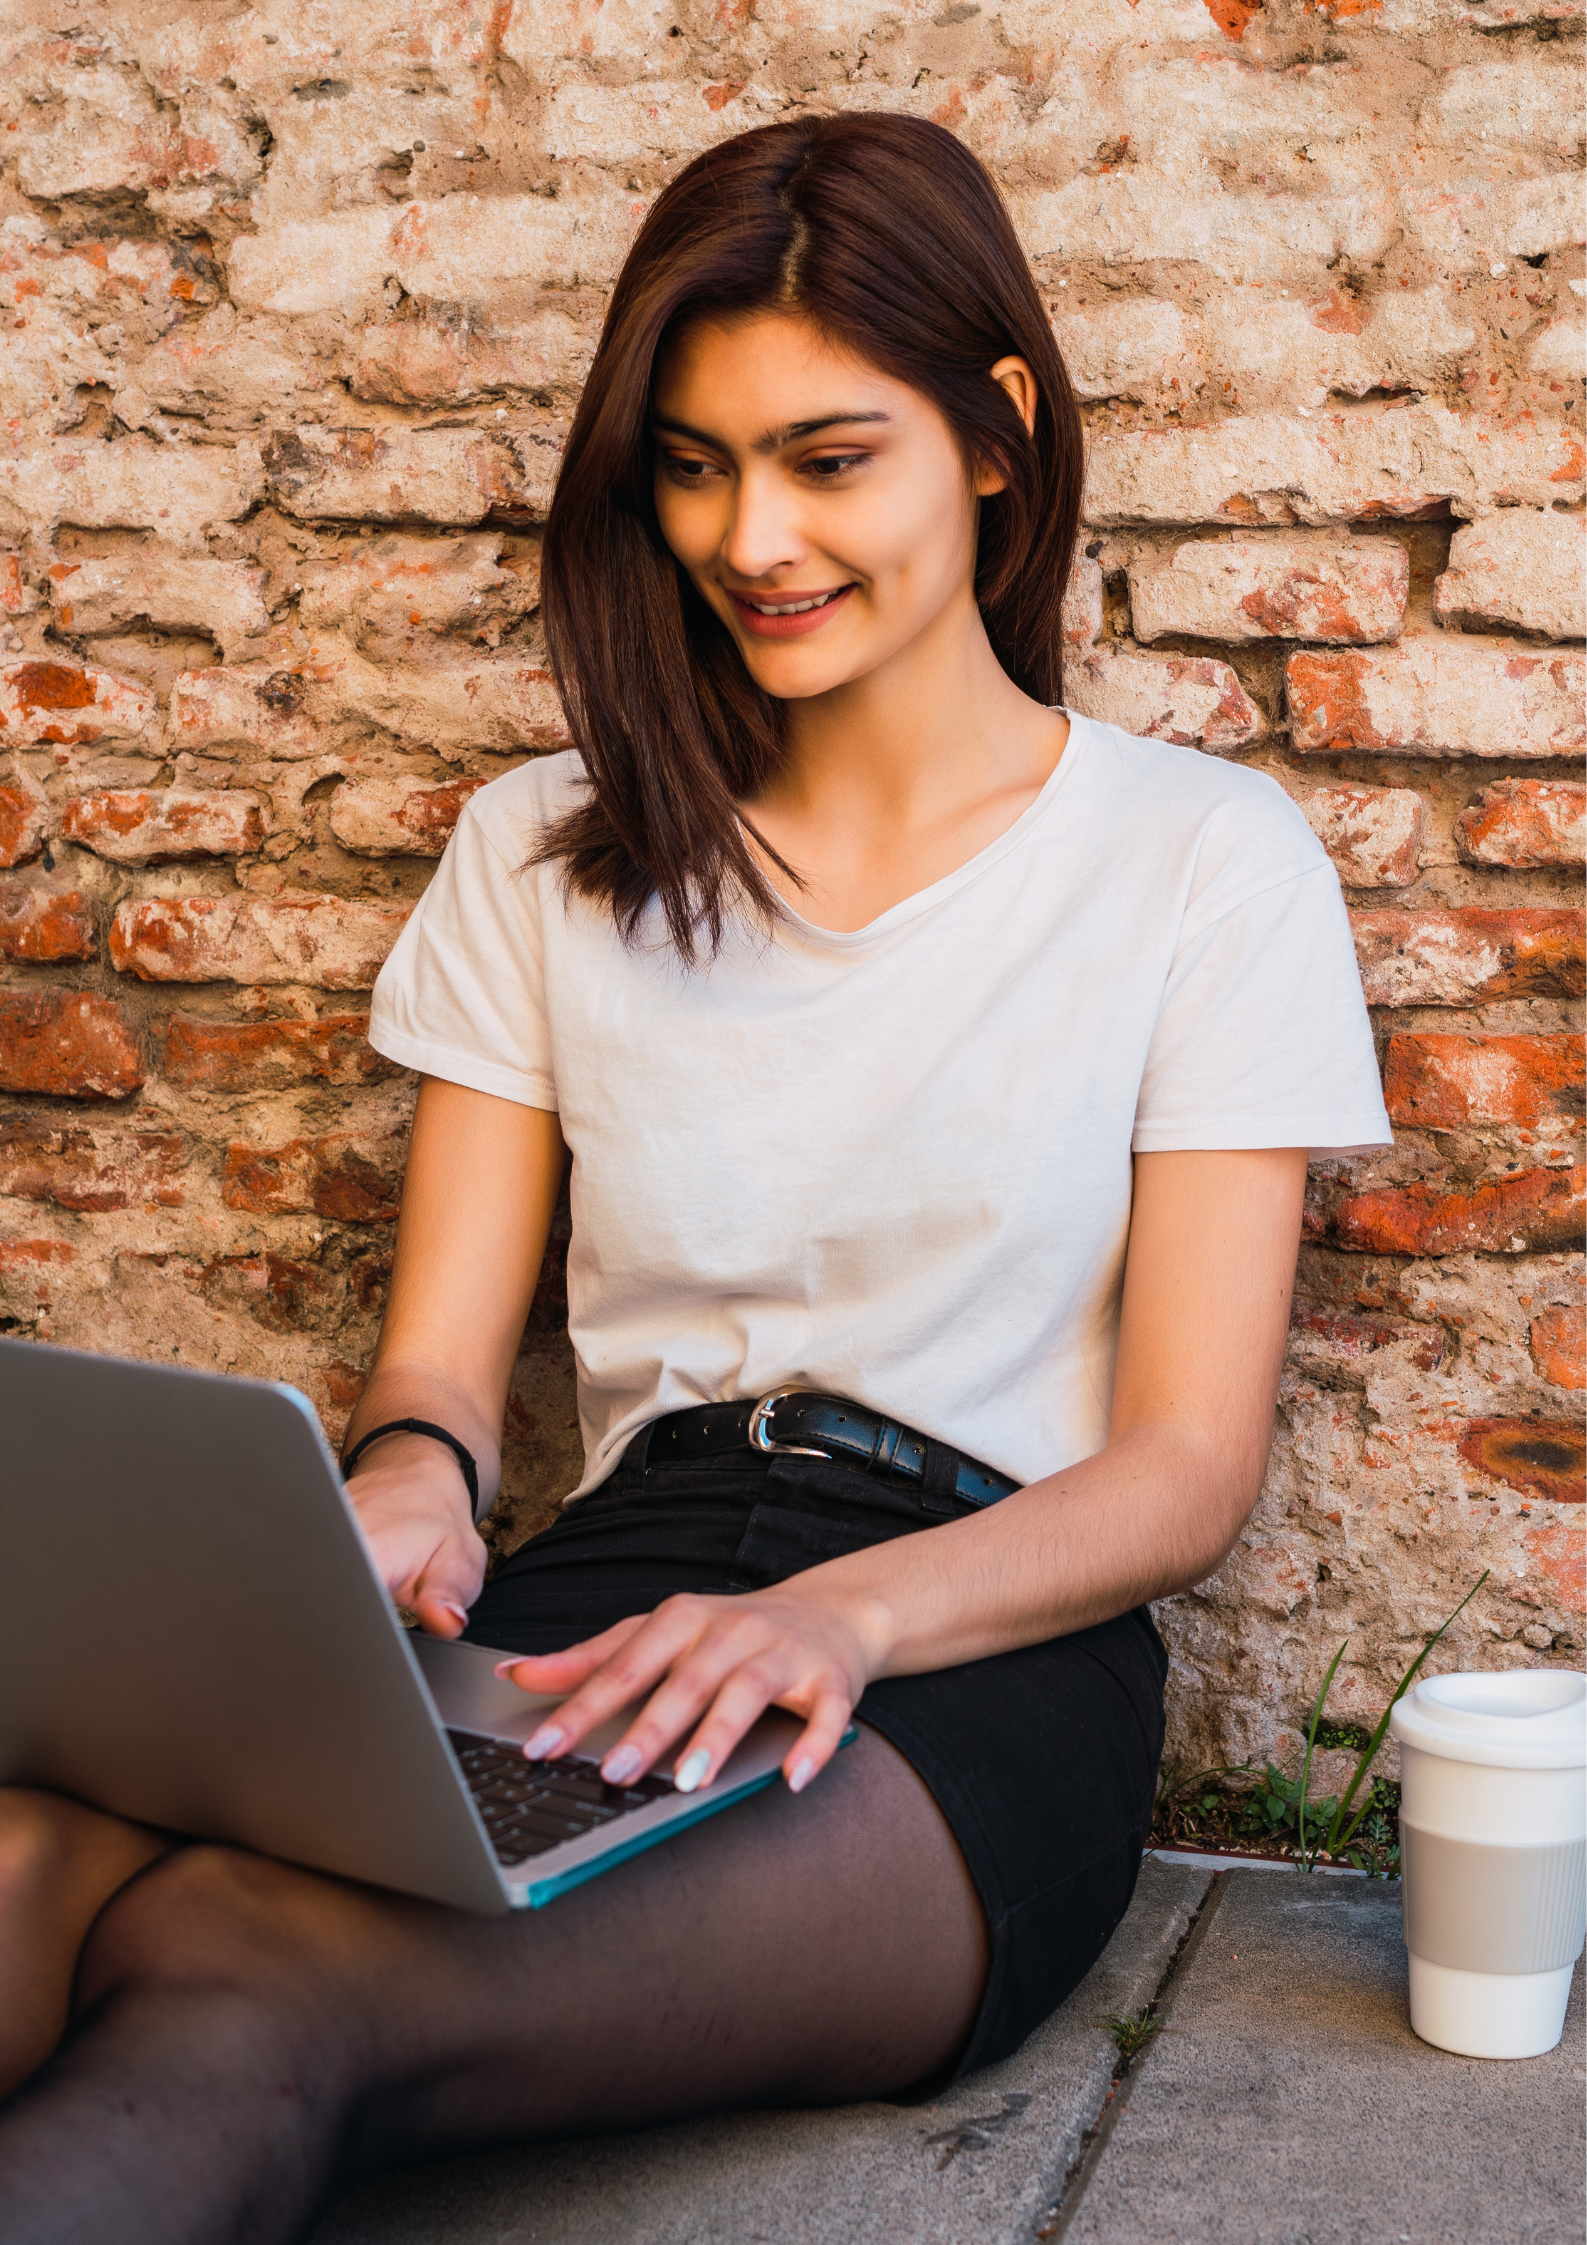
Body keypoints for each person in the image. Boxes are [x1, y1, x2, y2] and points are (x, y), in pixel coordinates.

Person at [0, 113, 1391, 2243]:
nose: (752, 535)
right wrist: (406, 1482)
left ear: (998, 440)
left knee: (245, 1968)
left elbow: (1184, 1469)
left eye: (829, 460)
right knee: (30, 1869)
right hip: (607, 1606)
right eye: (693, 462)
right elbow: (444, 1374)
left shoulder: (1201, 861)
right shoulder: (545, 850)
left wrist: (832, 1619)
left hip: (966, 1658)